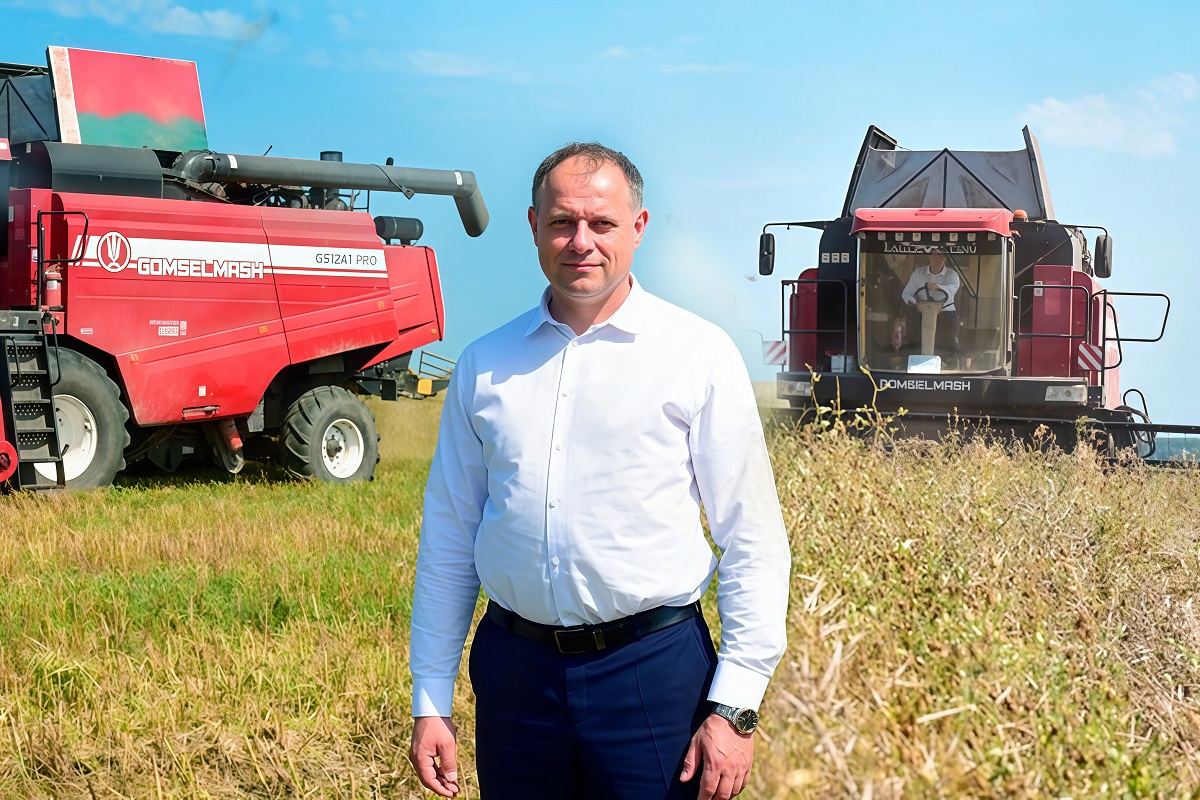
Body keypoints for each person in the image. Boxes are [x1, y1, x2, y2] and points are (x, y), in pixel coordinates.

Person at [407, 142, 790, 800]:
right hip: (515, 677)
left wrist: (735, 706)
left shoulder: (697, 354)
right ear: (534, 226)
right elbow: (449, 535)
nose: (581, 241)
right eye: (562, 222)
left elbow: (752, 538)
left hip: (653, 673)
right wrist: (430, 697)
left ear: (638, 228)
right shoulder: (484, 365)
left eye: (602, 223)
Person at [901, 251, 960, 353]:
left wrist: (938, 287)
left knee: (947, 349)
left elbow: (951, 290)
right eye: (935, 255)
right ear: (929, 256)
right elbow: (906, 294)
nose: (938, 259)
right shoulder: (918, 273)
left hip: (945, 315)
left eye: (941, 255)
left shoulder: (952, 275)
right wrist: (916, 303)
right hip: (923, 314)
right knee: (919, 346)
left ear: (945, 258)